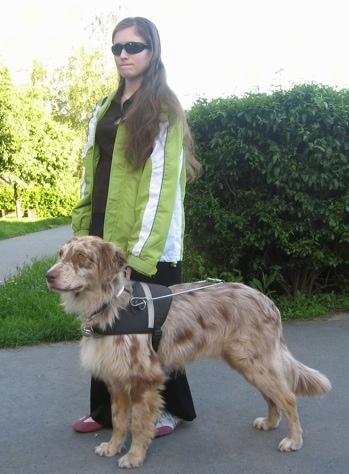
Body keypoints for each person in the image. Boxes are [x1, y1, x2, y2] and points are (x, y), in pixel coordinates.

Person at [71, 16, 202, 437]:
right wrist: (82, 226)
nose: (124, 55)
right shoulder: (106, 107)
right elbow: (91, 172)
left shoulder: (164, 108)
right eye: (117, 48)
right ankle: (107, 412)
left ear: (152, 51)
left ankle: (170, 410)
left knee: (156, 330)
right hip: (103, 233)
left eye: (134, 47)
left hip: (147, 237)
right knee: (101, 321)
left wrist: (140, 256)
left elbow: (162, 188)